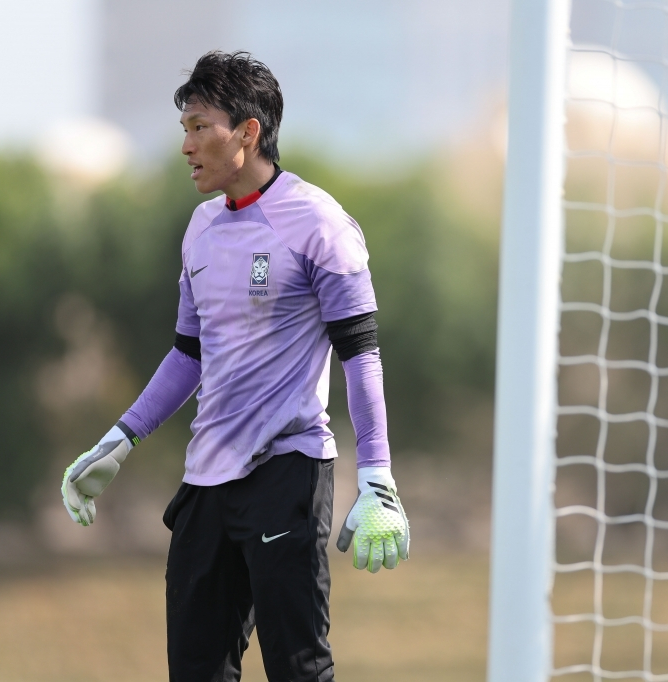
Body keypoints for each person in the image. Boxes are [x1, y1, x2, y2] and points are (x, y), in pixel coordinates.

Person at [60, 50, 409, 682]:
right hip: (205, 483)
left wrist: (377, 477)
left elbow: (361, 355)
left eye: (200, 128)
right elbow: (188, 354)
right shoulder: (200, 228)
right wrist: (120, 439)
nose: (186, 146)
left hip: (287, 473)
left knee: (299, 669)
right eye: (184, 129)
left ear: (248, 132)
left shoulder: (320, 223)